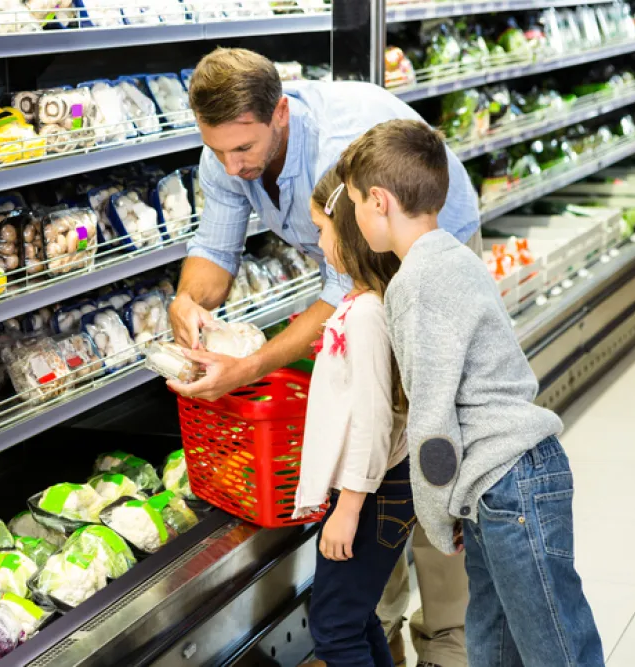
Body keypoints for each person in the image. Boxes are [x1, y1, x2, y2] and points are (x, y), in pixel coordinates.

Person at [169, 46, 473, 667]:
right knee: (375, 423)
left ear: (280, 112)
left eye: (244, 149)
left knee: (432, 444)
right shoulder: (226, 152)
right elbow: (214, 250)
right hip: (352, 274)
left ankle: (448, 643)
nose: (233, 164)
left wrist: (248, 368)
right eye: (218, 149)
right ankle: (374, 624)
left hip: (431, 263)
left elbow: (348, 293)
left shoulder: (345, 153)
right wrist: (188, 303)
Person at [335, 118, 605, 666]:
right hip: (505, 484)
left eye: (358, 203)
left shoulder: (413, 284)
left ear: (380, 201)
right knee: (493, 641)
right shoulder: (455, 256)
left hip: (508, 485)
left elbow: (432, 424)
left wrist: (436, 519)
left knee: (556, 649)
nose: (356, 219)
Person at [294, 168, 414, 667]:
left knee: (334, 628)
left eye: (322, 229)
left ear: (348, 232)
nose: (318, 241)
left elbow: (371, 420)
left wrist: (347, 510)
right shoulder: (363, 301)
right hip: (373, 486)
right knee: (357, 615)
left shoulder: (366, 314)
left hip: (373, 490)